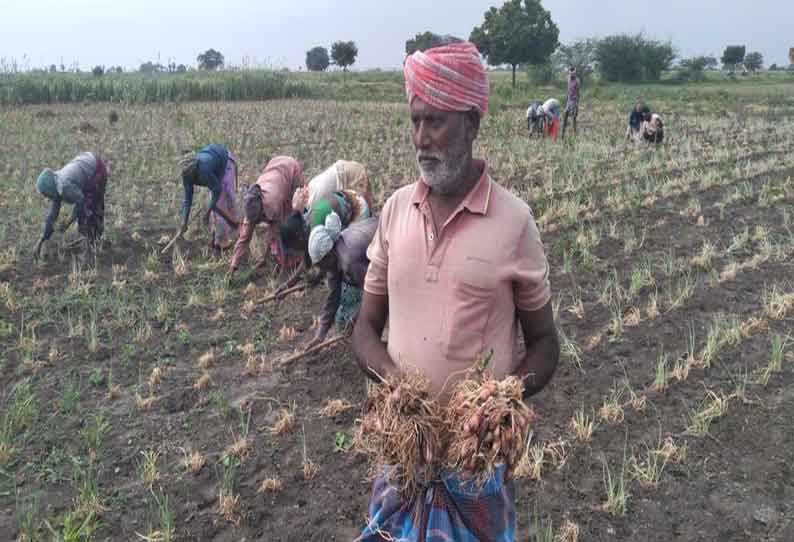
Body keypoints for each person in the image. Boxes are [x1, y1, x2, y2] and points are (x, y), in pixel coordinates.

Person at [353, 40, 559, 542]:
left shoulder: (513, 222)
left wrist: (503, 396)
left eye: (436, 121)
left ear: (471, 123)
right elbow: (363, 328)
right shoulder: (397, 210)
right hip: (404, 451)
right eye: (415, 121)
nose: (421, 138)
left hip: (475, 464)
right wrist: (393, 382)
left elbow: (545, 343)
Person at [302, 215, 378, 350]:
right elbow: (333, 297)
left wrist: (356, 317)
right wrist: (320, 335)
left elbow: (374, 290)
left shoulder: (350, 260)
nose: (321, 269)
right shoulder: (335, 255)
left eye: (320, 264)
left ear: (328, 255)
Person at [229, 156, 305, 276]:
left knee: (291, 218)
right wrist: (233, 266)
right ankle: (277, 259)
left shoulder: (272, 205)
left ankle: (294, 258)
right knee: (273, 238)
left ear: (261, 211)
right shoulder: (251, 205)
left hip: (290, 169)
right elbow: (244, 238)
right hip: (274, 168)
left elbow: (275, 232)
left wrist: (272, 257)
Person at [33, 152, 109, 261]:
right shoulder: (56, 184)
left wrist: (69, 221)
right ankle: (94, 238)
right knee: (88, 208)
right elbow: (52, 217)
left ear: (49, 188)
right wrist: (42, 239)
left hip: (97, 169)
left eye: (45, 193)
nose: (46, 197)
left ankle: (90, 251)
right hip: (88, 164)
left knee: (87, 209)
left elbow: (80, 201)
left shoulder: (63, 186)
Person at [178, 144, 239, 250]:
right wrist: (184, 221)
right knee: (218, 206)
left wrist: (207, 212)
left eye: (190, 173)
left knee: (223, 202)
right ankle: (220, 236)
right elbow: (188, 200)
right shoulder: (186, 175)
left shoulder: (203, 170)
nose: (188, 175)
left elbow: (217, 190)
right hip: (214, 162)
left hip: (225, 162)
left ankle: (225, 239)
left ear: (195, 169)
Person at [292, 160, 373, 216]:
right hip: (347, 167)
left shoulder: (312, 204)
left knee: (364, 210)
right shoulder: (310, 186)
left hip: (353, 177)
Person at [561, 67, 580, 139]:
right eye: (570, 73)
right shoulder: (568, 79)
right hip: (568, 101)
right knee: (565, 116)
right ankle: (562, 135)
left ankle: (574, 136)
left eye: (573, 73)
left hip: (574, 101)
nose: (571, 75)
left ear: (575, 73)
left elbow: (578, 93)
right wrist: (566, 101)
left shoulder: (577, 81)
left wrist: (577, 104)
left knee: (573, 118)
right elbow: (567, 90)